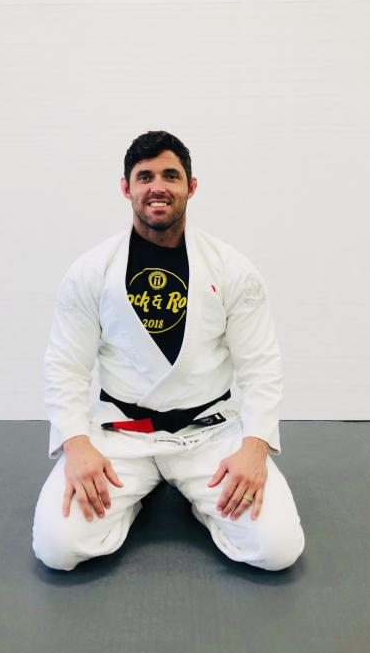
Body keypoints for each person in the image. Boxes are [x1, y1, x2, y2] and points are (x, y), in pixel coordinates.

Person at [32, 130, 305, 571]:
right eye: (145, 176)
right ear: (126, 188)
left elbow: (261, 366)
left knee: (276, 549)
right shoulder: (90, 271)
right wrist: (76, 444)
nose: (157, 186)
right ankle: (134, 498)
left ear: (191, 187)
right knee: (58, 548)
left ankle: (200, 500)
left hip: (209, 435)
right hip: (121, 435)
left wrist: (254, 447)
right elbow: (65, 365)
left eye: (170, 176)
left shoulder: (232, 269)